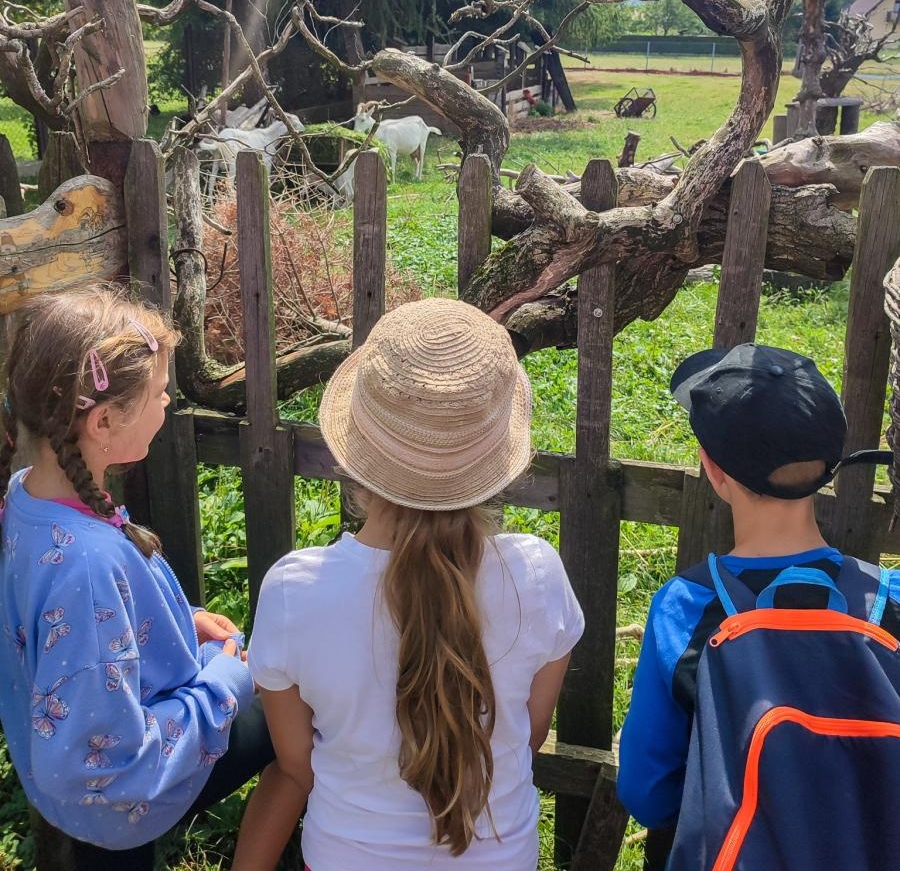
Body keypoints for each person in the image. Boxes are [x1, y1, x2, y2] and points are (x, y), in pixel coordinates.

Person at [235, 297, 584, 871]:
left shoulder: (295, 592)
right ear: (500, 459)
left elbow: (297, 765)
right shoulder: (537, 577)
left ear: (354, 455)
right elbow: (526, 734)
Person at [0, 285, 296, 870]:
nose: (168, 405)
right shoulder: (87, 565)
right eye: (162, 394)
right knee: (289, 716)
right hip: (116, 804)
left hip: (50, 773)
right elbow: (110, 760)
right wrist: (226, 681)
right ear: (105, 421)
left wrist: (175, 623)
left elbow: (65, 631)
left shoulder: (27, 497)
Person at [618, 343, 900, 868]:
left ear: (713, 470)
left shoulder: (687, 608)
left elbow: (648, 794)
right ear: (828, 466)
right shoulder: (893, 601)